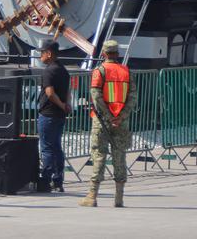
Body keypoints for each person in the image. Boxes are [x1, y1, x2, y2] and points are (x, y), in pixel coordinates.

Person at [79, 40, 136, 208]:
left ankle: (92, 196)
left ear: (103, 53)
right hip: (122, 122)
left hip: (102, 121)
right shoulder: (126, 71)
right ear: (117, 53)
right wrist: (121, 116)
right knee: (120, 156)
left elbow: (96, 96)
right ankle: (119, 198)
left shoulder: (100, 71)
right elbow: (133, 98)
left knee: (99, 155)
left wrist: (109, 116)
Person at [37, 40, 70, 193]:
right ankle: (58, 181)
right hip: (59, 115)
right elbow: (68, 91)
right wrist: (66, 105)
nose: (40, 56)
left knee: (47, 148)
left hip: (48, 113)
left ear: (49, 53)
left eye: (42, 52)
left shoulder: (48, 71)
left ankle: (45, 180)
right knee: (57, 147)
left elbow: (49, 93)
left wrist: (61, 105)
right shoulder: (63, 70)